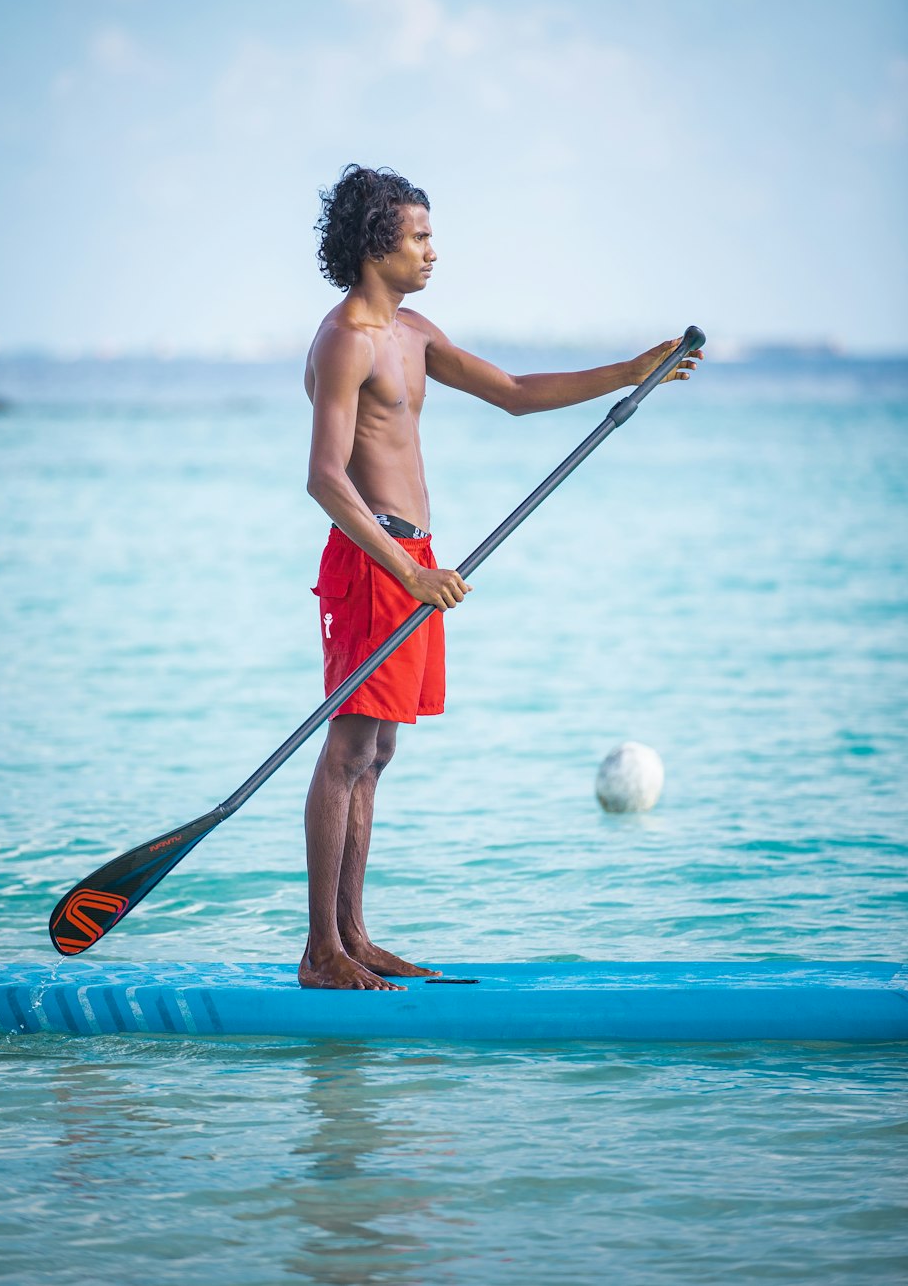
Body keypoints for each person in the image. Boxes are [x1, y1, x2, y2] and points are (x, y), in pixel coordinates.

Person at [300, 165, 702, 991]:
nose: (432, 252)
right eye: (419, 237)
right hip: (378, 560)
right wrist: (407, 572)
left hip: (414, 560)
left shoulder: (412, 332)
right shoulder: (347, 340)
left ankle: (354, 937)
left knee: (376, 751)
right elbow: (326, 478)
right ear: (378, 244)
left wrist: (629, 371)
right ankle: (320, 953)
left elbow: (516, 393)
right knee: (345, 751)